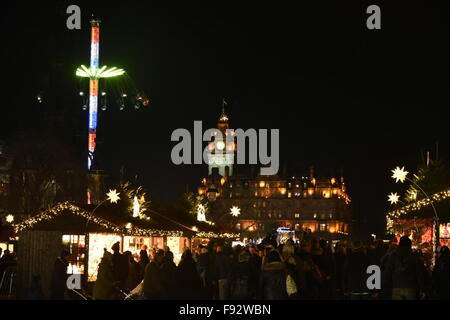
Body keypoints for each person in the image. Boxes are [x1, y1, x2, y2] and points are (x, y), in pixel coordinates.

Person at [385, 236, 426, 300]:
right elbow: (420, 273)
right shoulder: (414, 256)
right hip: (410, 287)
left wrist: (388, 288)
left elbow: (388, 272)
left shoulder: (393, 256)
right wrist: (422, 289)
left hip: (397, 286)